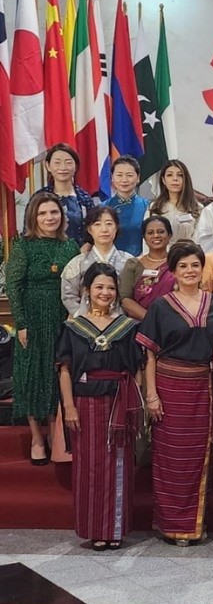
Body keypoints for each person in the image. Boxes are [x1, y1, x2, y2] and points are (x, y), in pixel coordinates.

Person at [137, 242, 213, 545]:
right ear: (173, 271)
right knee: (170, 459)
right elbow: (149, 354)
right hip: (169, 387)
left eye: (195, 265)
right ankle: (171, 524)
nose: (190, 271)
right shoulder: (160, 307)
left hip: (205, 387)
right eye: (183, 266)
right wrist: (151, 395)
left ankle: (195, 524)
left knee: (199, 457)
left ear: (203, 269)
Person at [56, 263, 144, 550]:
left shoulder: (127, 328)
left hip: (119, 401)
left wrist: (138, 401)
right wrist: (69, 406)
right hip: (85, 403)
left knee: (118, 465)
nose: (105, 292)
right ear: (87, 291)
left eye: (110, 287)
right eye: (99, 287)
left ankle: (115, 529)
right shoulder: (73, 328)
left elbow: (137, 369)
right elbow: (65, 369)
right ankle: (95, 529)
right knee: (89, 467)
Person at [7, 193, 79, 464]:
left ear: (62, 216)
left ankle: (54, 433)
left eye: (54, 213)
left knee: (56, 373)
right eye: (43, 214)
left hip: (62, 317)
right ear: (33, 217)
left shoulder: (70, 245)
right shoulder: (23, 245)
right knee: (30, 375)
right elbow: (14, 286)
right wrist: (21, 323)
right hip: (33, 318)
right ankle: (37, 437)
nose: (49, 218)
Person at [61, 207, 134, 317]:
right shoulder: (77, 262)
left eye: (109, 224)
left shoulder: (130, 262)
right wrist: (83, 316)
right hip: (85, 323)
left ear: (116, 227)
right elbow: (68, 295)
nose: (104, 229)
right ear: (90, 230)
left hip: (122, 324)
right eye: (97, 224)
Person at [36, 143, 97, 243]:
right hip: (46, 255)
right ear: (48, 166)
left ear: (76, 166)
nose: (63, 167)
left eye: (68, 162)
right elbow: (29, 230)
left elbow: (94, 229)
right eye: (57, 162)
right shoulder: (39, 197)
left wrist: (86, 248)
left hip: (80, 254)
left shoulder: (84, 198)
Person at [119, 216, 176, 321]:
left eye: (161, 232)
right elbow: (125, 299)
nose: (156, 235)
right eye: (150, 233)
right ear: (144, 238)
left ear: (169, 235)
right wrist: (151, 321)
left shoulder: (178, 264)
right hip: (140, 325)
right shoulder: (133, 264)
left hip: (172, 323)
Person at [103, 156, 151, 256]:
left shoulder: (148, 206)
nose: (124, 180)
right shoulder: (102, 208)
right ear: (112, 177)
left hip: (140, 261)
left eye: (129, 175)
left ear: (138, 178)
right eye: (119, 175)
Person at [149, 159, 202, 245]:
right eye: (170, 175)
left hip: (188, 255)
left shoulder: (197, 208)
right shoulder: (154, 207)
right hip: (161, 256)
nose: (175, 179)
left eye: (180, 175)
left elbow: (199, 240)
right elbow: (147, 239)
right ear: (163, 180)